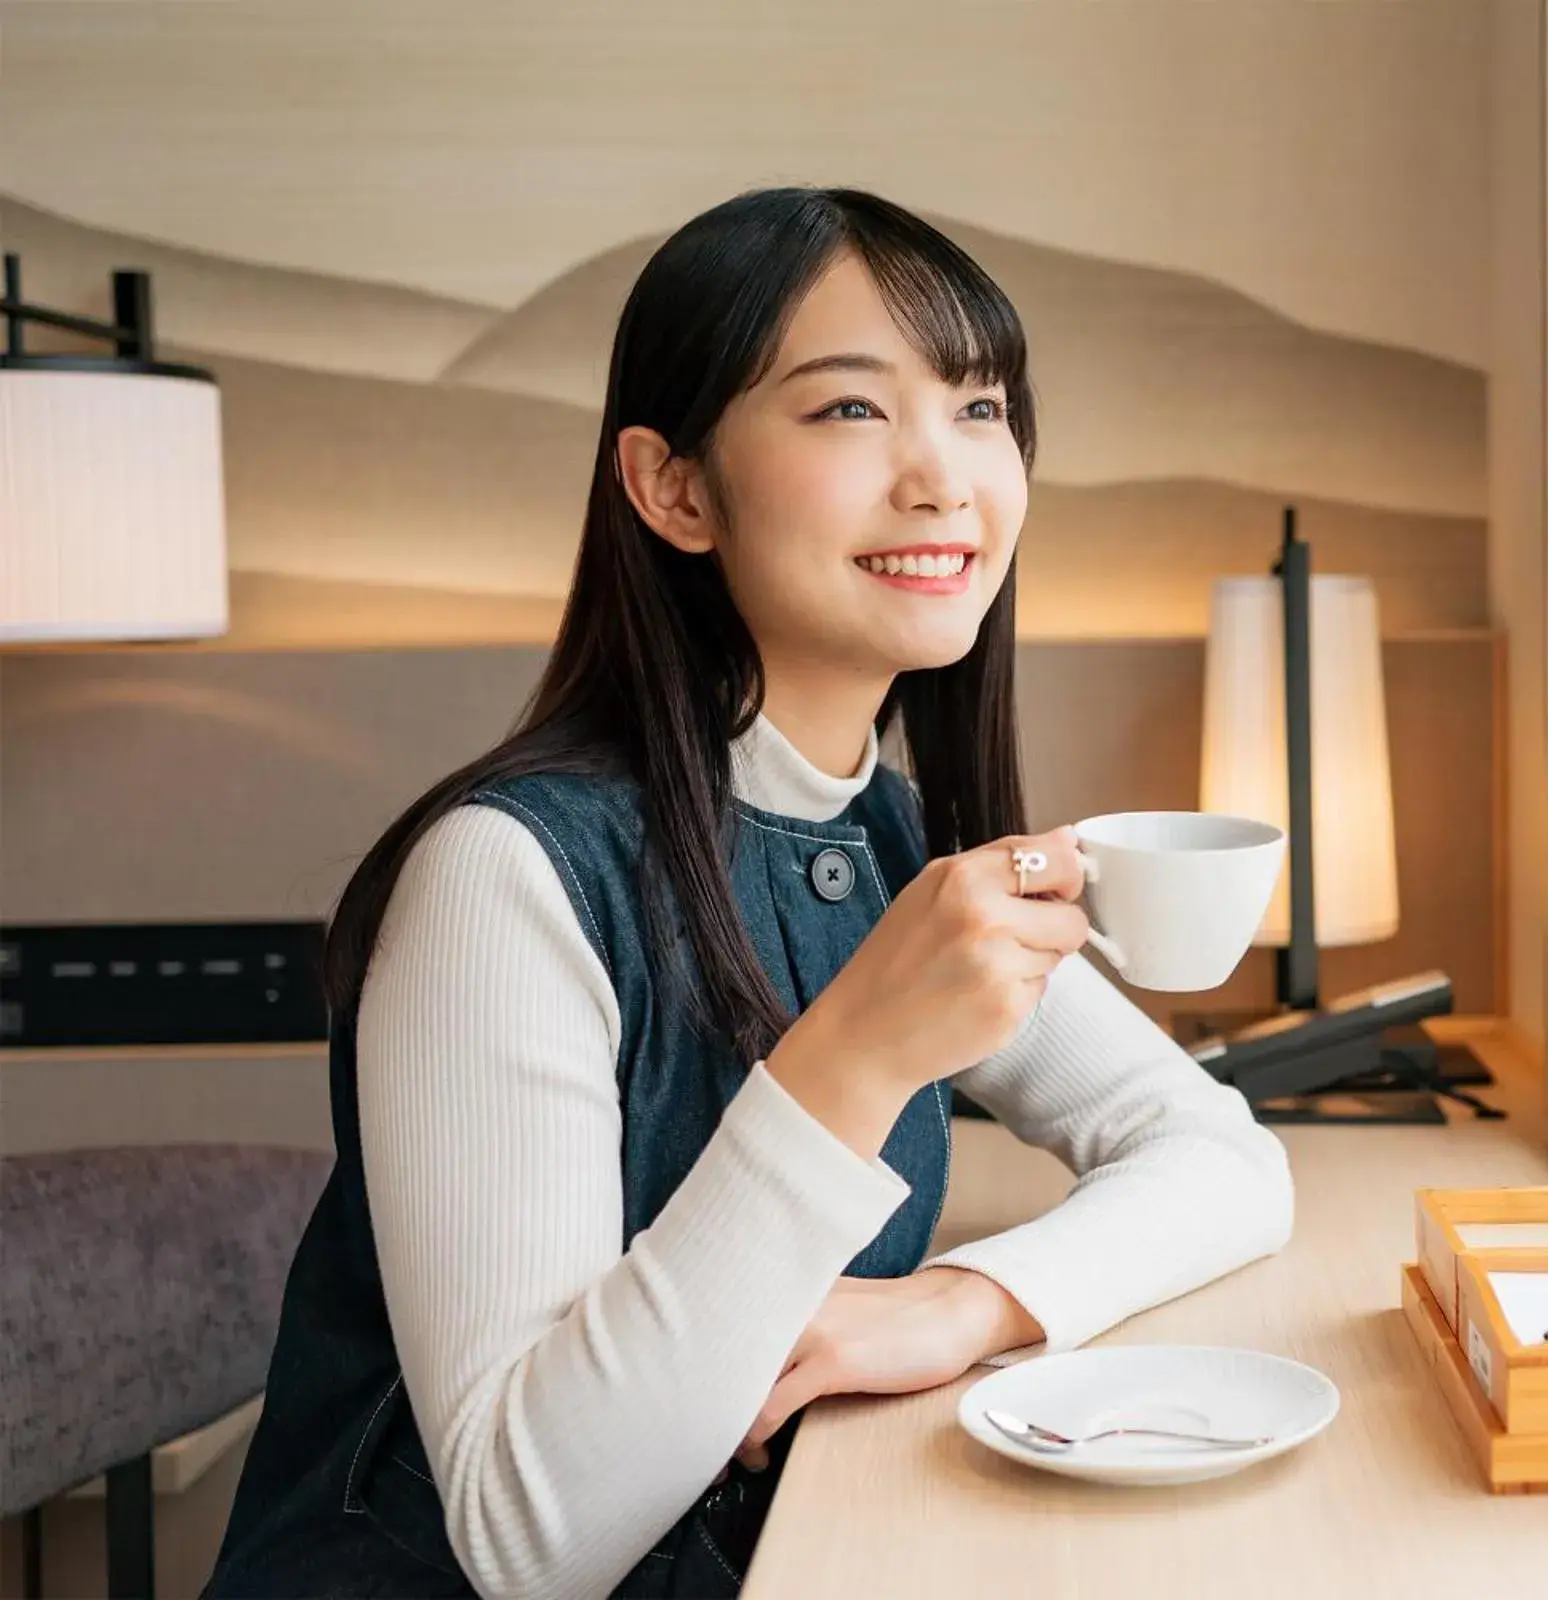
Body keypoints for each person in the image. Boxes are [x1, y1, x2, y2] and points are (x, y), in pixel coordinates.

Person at [205, 187, 1295, 1599]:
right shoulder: (503, 876)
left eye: (979, 407)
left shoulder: (888, 836)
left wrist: (959, 1306)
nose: (943, 476)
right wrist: (859, 1055)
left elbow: (1219, 1158)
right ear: (674, 488)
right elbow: (526, 1540)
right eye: (851, 409)